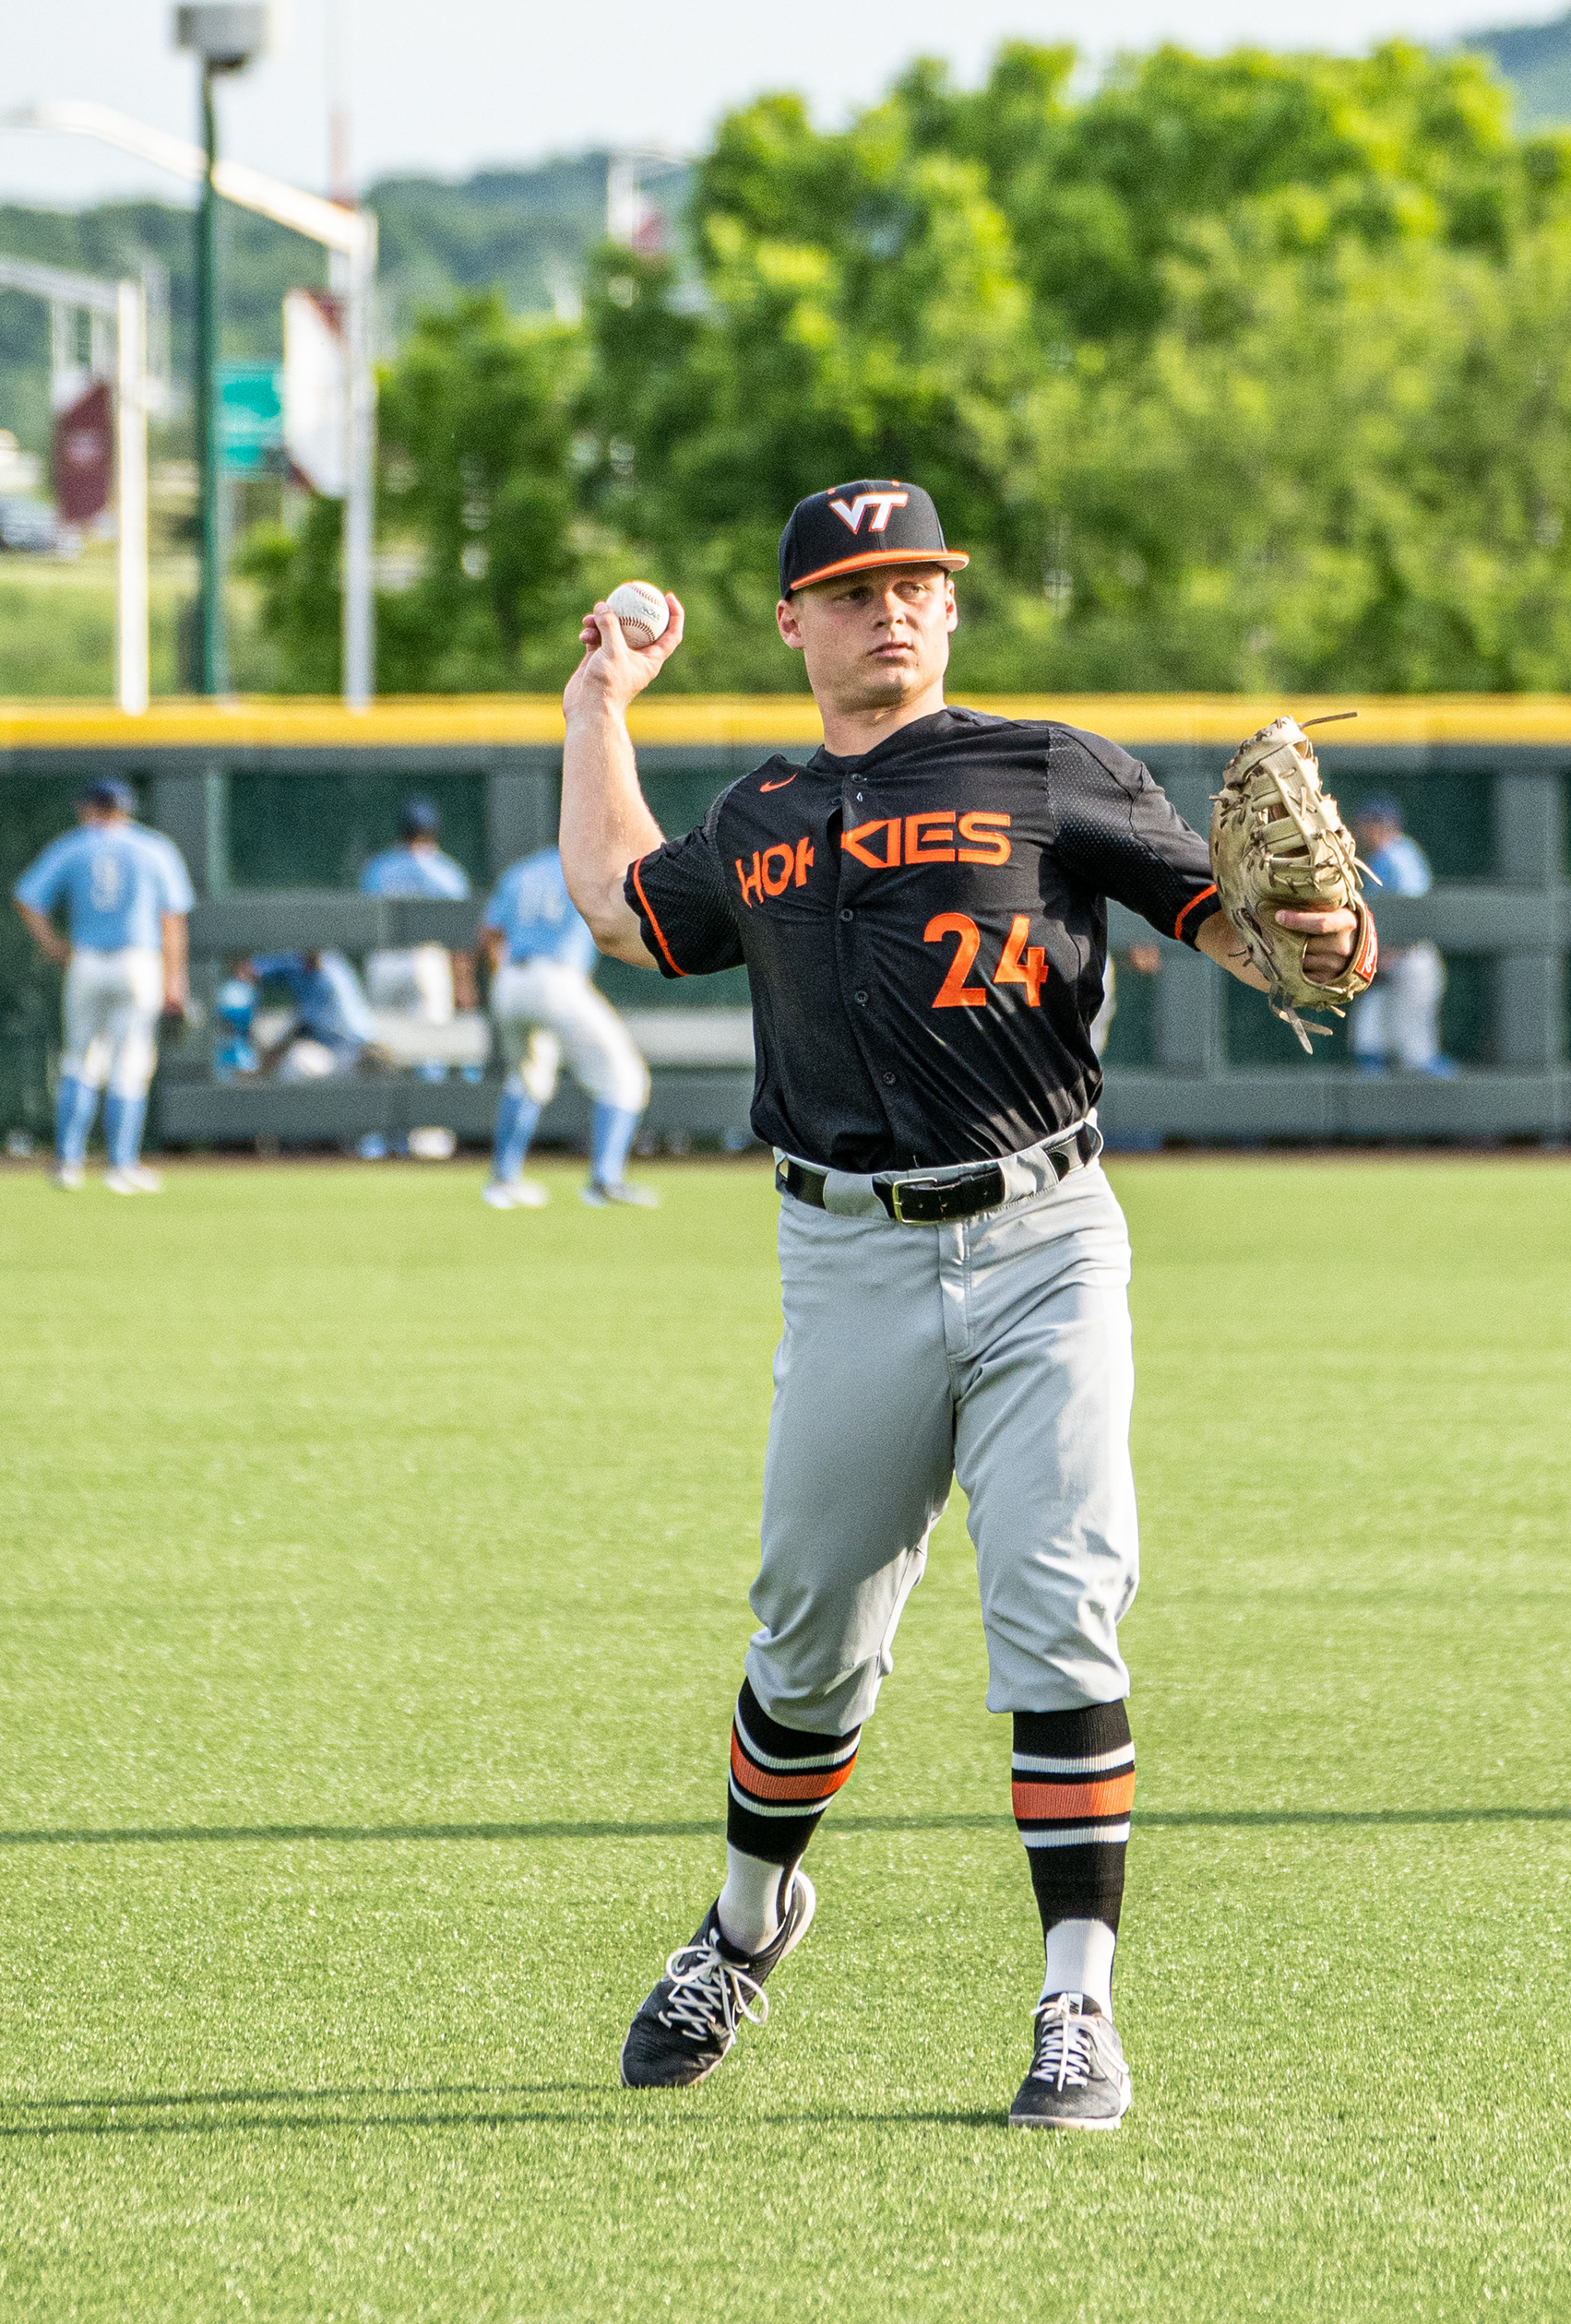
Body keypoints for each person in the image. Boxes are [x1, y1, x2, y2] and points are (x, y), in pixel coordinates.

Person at [559, 479, 1367, 2131]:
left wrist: (1330, 936)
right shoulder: (766, 811)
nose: (895, 610)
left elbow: (1255, 936)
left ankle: (1078, 2003)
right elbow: (624, 908)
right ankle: (744, 1923)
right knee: (810, 1635)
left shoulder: (1047, 766)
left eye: (919, 580)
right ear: (794, 623)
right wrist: (593, 708)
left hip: (1048, 1239)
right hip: (846, 1251)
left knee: (1062, 1598)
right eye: (855, 589)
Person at [11, 777, 193, 1193]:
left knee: (80, 1059)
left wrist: (55, 945)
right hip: (137, 963)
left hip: (88, 962)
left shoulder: (74, 845)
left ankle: (68, 1163)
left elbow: (27, 897)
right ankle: (121, 1165)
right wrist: (175, 979)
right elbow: (172, 920)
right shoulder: (153, 847)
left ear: (92, 807)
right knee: (130, 1064)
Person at [476, 844, 655, 1210]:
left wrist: (506, 980)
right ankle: (604, 1181)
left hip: (510, 979)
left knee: (525, 1079)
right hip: (556, 979)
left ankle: (503, 1181)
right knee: (625, 1077)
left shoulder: (522, 869)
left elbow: (490, 934)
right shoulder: (591, 863)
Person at [358, 796, 474, 1156]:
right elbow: (458, 935)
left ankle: (379, 1139)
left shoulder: (378, 868)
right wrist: (464, 984)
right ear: (433, 831)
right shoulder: (445, 869)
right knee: (430, 1050)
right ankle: (428, 1139)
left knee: (383, 1049)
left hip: (383, 963)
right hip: (426, 960)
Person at [1350, 796, 1455, 1078]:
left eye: (1365, 825)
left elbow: (1414, 913)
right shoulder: (1386, 857)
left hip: (1409, 956)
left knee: (1414, 1046)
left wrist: (1391, 952)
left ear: (1381, 825)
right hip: (1393, 956)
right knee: (1373, 1027)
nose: (1361, 831)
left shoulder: (1400, 857)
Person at [248, 949, 378, 1080]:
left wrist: (264, 1065)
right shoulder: (300, 962)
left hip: (350, 1051)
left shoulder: (327, 977)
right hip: (334, 1045)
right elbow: (253, 971)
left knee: (293, 1065)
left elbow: (303, 1028)